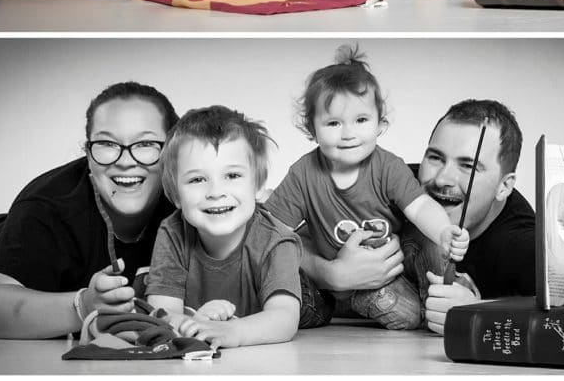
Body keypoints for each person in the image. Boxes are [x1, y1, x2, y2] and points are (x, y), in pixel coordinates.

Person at [0, 82, 179, 339]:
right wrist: (83, 306)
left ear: (171, 152)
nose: (126, 161)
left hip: (25, 230)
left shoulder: (186, 200)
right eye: (107, 144)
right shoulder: (48, 205)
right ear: (87, 153)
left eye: (145, 144)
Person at [263, 45, 469, 330]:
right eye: (333, 123)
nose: (348, 134)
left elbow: (420, 207)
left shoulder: (387, 166)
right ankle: (363, 301)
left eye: (361, 120)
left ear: (379, 124)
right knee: (406, 317)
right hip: (341, 279)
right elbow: (274, 232)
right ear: (312, 129)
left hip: (389, 267)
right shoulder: (304, 173)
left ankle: (436, 299)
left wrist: (445, 232)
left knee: (431, 247)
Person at [301, 98, 534, 335]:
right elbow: (281, 237)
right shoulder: (392, 184)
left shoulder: (521, 245)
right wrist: (330, 274)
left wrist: (478, 311)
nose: (442, 178)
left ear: (504, 186)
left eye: (468, 166)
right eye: (435, 158)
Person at [147, 106, 302, 349]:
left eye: (232, 175)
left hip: (306, 300)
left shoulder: (277, 240)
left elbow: (284, 319)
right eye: (197, 179)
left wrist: (233, 332)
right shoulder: (173, 232)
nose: (216, 192)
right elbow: (161, 312)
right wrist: (191, 321)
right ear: (176, 195)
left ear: (258, 186)